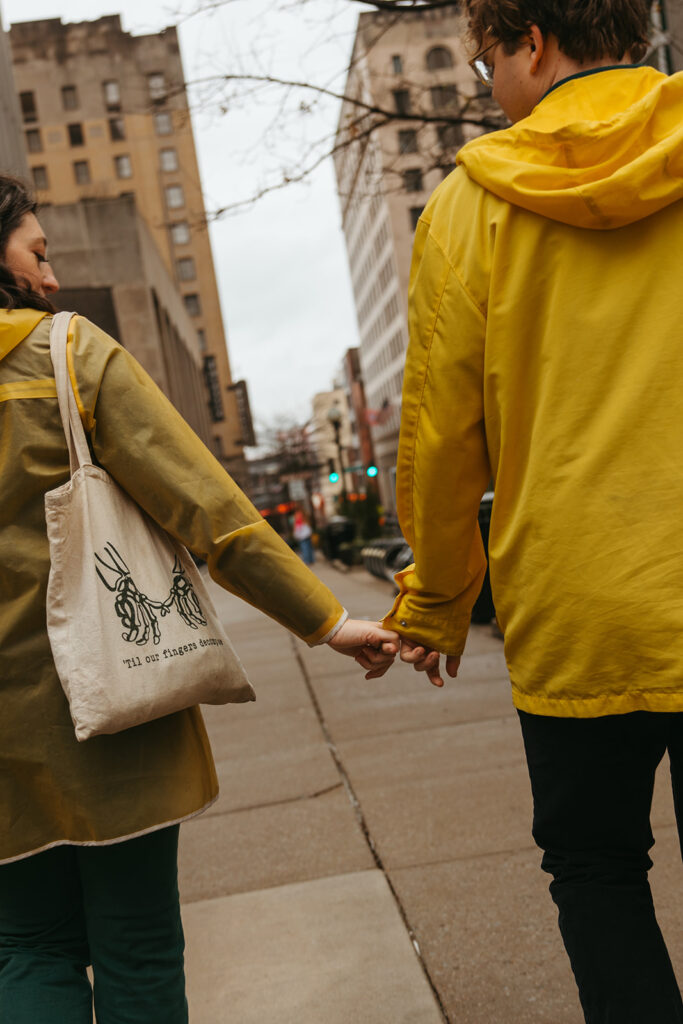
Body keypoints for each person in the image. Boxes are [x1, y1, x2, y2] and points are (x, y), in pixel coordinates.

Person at [0, 173, 400, 1024]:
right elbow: (209, 510)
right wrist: (323, 621)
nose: (51, 276)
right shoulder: (68, 355)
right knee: (138, 944)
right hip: (114, 712)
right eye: (38, 251)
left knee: (25, 949)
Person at [381, 3, 683, 1021]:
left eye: (485, 62)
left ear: (532, 46)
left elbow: (439, 434)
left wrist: (433, 600)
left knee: (596, 867)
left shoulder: (468, 206)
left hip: (573, 602)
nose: (487, 87)